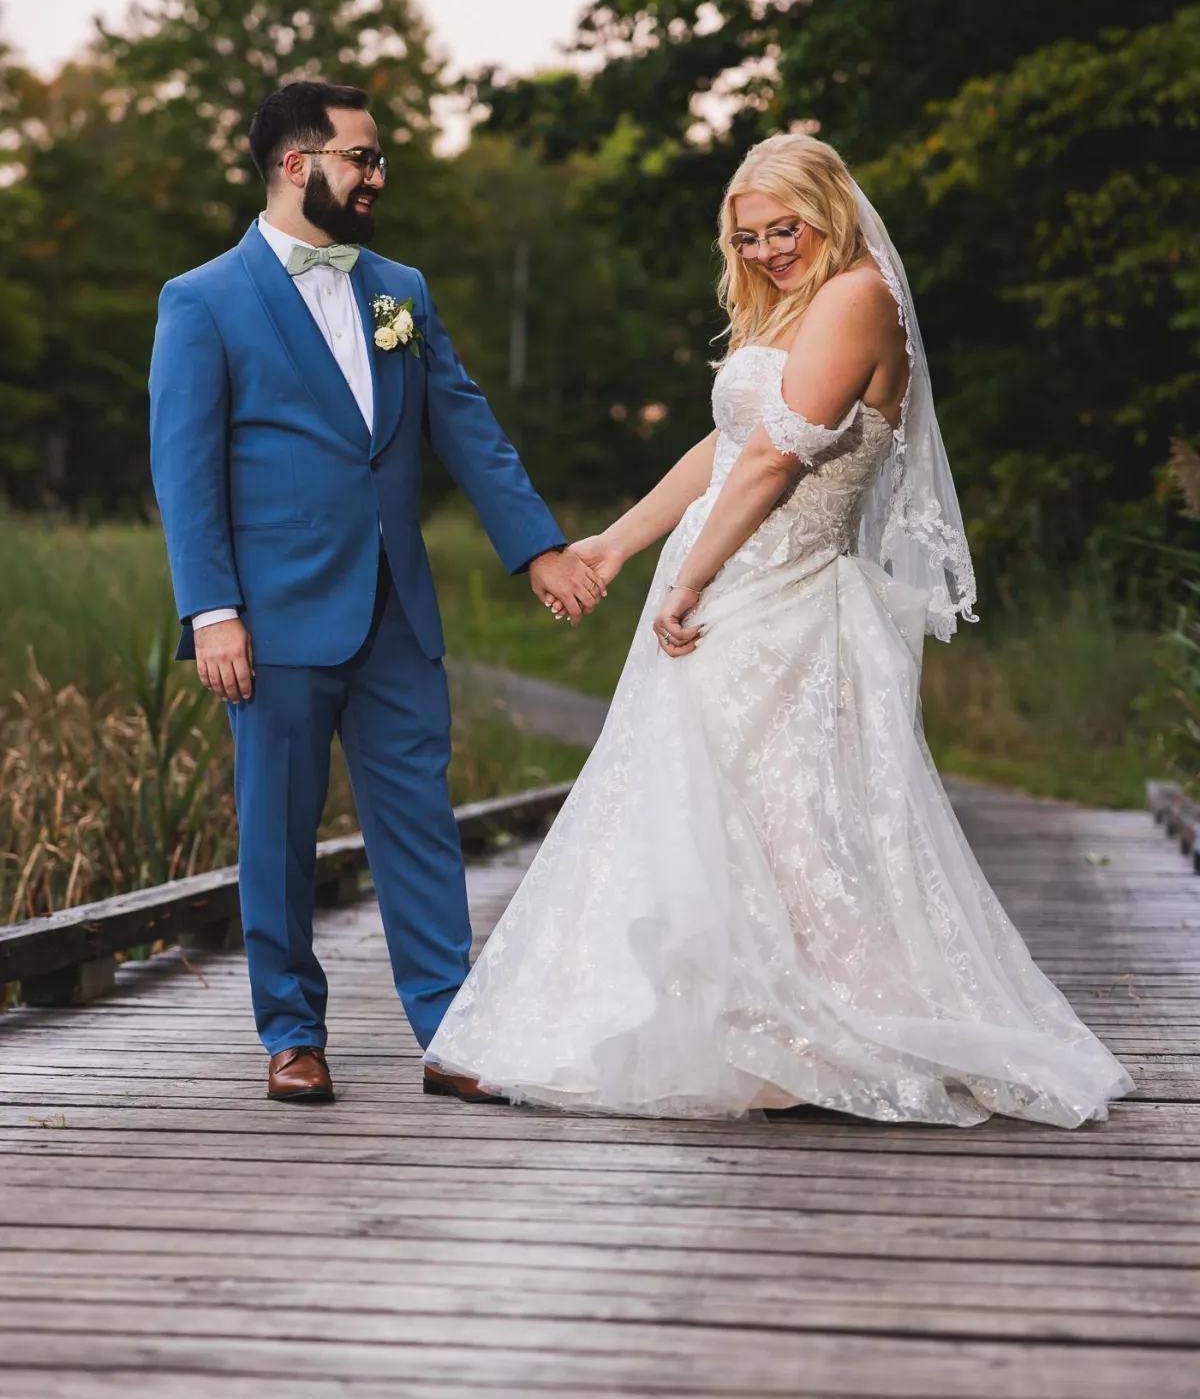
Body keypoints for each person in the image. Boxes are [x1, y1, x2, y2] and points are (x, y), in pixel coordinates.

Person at [425, 132, 1135, 1128]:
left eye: (783, 229)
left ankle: (817, 1035)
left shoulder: (856, 296)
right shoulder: (793, 306)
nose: (765, 250)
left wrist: (693, 579)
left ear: (832, 211)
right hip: (725, 599)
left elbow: (773, 464)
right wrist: (620, 546)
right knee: (704, 820)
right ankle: (737, 1031)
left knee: (788, 830)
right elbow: (725, 448)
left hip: (785, 604)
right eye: (747, 236)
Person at [149, 80, 602, 1104]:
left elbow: (465, 422)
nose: (378, 176)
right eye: (363, 157)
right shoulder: (203, 299)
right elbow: (185, 468)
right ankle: (293, 1032)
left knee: (420, 822)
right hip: (272, 617)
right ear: (298, 165)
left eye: (380, 157)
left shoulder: (402, 288)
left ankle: (452, 1030)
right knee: (277, 827)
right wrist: (210, 608)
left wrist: (536, 546)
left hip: (397, 605)